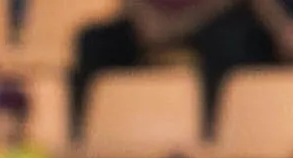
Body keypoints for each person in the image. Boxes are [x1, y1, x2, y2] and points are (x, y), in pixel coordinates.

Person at [73, 0, 276, 124]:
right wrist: (148, 21)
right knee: (94, 41)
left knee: (231, 41)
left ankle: (215, 129)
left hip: (208, 21)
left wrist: (176, 26)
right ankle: (89, 128)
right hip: (150, 25)